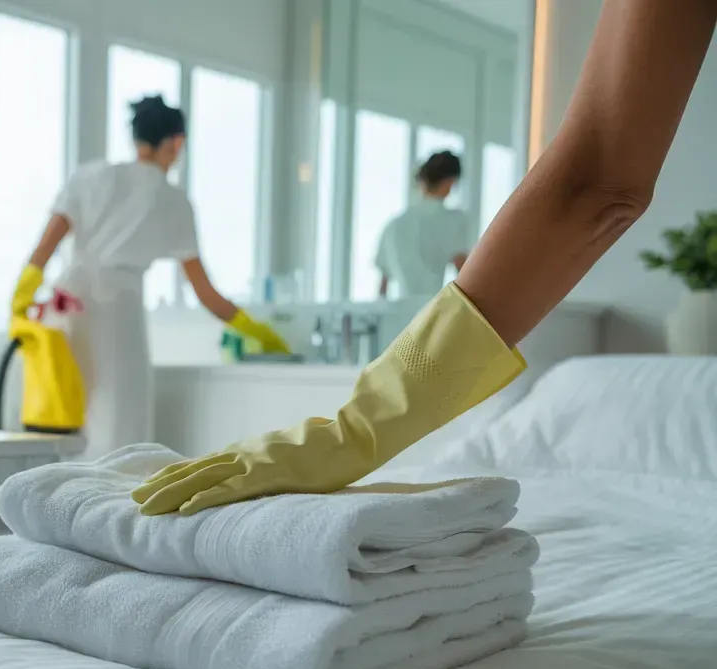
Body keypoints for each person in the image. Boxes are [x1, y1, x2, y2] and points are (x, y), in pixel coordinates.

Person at [134, 0, 717, 516]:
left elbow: (598, 183)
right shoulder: (451, 220)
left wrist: (362, 427)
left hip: (432, 329)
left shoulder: (394, 223)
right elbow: (592, 188)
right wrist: (361, 424)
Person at [11, 95, 290, 458]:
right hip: (115, 309)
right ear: (177, 143)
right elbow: (204, 291)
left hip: (64, 304)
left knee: (66, 413)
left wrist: (22, 293)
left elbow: (45, 246)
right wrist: (258, 331)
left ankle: (58, 505)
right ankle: (107, 510)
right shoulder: (172, 200)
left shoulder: (90, 176)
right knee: (120, 426)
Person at [375, 151, 470, 300]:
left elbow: (382, 288)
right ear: (450, 182)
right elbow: (464, 273)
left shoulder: (393, 225)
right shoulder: (453, 220)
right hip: (433, 311)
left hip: (399, 315)